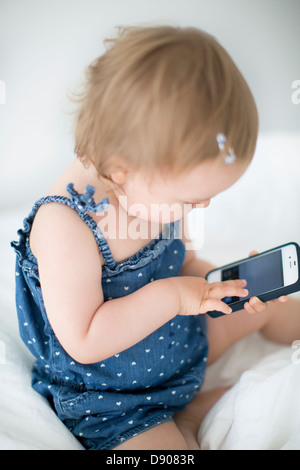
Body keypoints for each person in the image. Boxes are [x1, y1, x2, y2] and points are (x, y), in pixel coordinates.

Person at [11, 25, 299, 450]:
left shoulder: (152, 187)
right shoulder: (65, 227)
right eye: (189, 200)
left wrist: (217, 284)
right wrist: (177, 297)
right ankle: (189, 419)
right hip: (113, 396)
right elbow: (86, 340)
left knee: (270, 307)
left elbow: (180, 262)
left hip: (176, 345)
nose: (198, 209)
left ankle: (194, 400)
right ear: (123, 170)